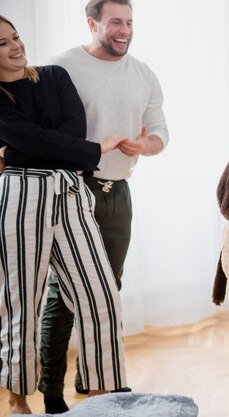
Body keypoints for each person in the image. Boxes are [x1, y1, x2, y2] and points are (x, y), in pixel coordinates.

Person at [38, 0, 169, 413]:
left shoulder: (144, 74)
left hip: (120, 194)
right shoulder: (60, 68)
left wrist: (144, 145)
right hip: (72, 191)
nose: (124, 30)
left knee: (107, 292)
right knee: (64, 296)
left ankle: (93, 383)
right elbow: (40, 132)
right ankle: (51, 391)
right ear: (92, 22)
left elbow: (161, 132)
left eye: (129, 22)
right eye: (116, 22)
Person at [0, 15, 127, 415]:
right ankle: (17, 397)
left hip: (70, 191)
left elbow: (73, 137)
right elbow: (36, 139)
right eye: (2, 43)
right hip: (21, 196)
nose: (16, 46)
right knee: (20, 300)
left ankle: (104, 393)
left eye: (15, 36)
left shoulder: (54, 77)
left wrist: (19, 151)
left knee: (101, 293)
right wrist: (48, 148)